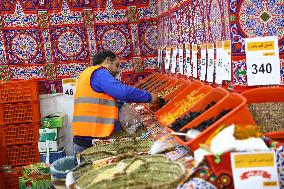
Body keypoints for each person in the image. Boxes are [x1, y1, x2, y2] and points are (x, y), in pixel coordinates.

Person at [72, 50, 159, 154]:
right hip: (92, 139)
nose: (117, 70)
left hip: (84, 137)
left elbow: (105, 100)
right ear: (108, 61)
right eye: (117, 65)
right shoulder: (99, 73)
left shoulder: (87, 74)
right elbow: (123, 92)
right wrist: (150, 97)